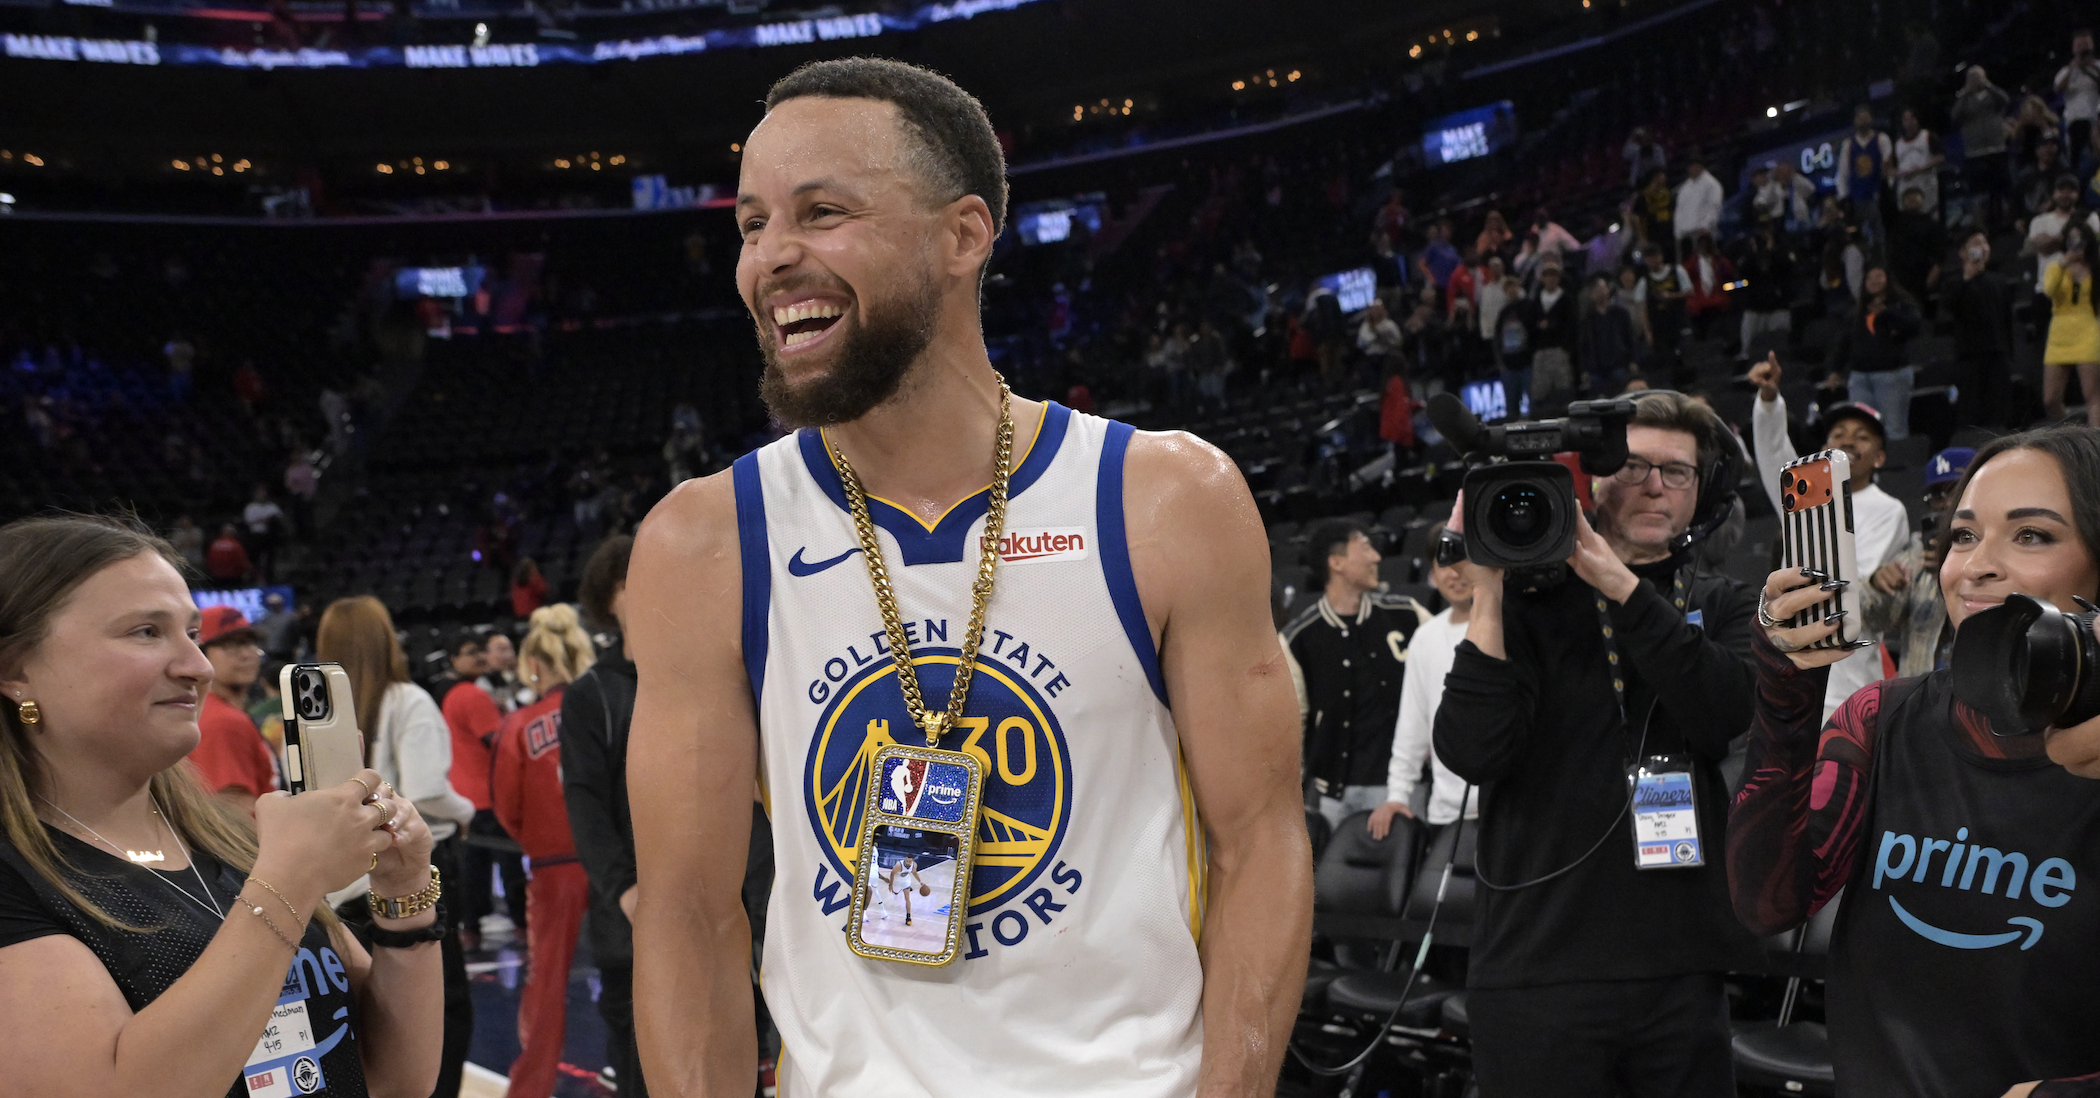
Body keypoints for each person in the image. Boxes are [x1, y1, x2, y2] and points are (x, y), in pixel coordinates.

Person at [627, 57, 1310, 1097]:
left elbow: (1260, 839)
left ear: (963, 235)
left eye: (822, 212)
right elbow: (686, 913)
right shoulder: (703, 542)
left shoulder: (1165, 501)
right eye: (752, 224)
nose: (772, 256)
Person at [0, 514, 444, 1098]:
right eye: (146, 632)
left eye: (192, 633)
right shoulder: (17, 878)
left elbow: (398, 1079)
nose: (199, 667)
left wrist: (405, 893)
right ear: (16, 668)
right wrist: (292, 878)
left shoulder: (230, 842)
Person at [1729, 426, 2100, 1096]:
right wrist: (1786, 699)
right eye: (1963, 535)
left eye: (2032, 535)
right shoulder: (1878, 718)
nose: (1975, 566)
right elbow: (1768, 904)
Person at [1433, 391, 1759, 1096]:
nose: (1653, 485)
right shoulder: (1524, 604)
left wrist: (1617, 581)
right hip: (1536, 967)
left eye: (1677, 471)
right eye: (1632, 466)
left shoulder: (1725, 602)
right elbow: (1473, 752)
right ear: (1593, 479)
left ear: (1704, 492)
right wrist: (1488, 592)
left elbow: (1723, 712)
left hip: (1679, 972)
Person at [315, 595, 477, 1098]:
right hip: (406, 867)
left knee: (364, 1027)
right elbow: (426, 789)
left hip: (337, 885)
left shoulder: (309, 724)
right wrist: (467, 812)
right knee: (436, 1018)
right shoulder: (408, 700)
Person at [1748, 355, 1912, 716]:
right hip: (1792, 662)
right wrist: (1770, 402)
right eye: (1838, 435)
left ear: (1880, 457)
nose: (1848, 441)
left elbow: (1850, 582)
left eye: (1862, 437)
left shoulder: (1888, 509)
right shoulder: (1803, 496)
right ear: (1824, 449)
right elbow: (1773, 452)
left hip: (1849, 668)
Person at [560, 535, 654, 1098]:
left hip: (725, 906)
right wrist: (624, 888)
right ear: (608, 599)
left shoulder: (710, 678)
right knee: (642, 1063)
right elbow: (585, 804)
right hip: (633, 914)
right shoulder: (591, 694)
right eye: (627, 579)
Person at [491, 604, 595, 1098]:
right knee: (640, 975)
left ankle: (531, 1088)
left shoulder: (519, 723)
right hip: (620, 861)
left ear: (533, 663)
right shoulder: (609, 703)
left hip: (555, 867)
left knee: (547, 983)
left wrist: (538, 837)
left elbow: (506, 806)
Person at [1281, 519, 1431, 828]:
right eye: (1365, 548)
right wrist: (1291, 800)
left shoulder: (1408, 615)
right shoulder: (1298, 639)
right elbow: (1293, 726)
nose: (1376, 557)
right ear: (1336, 562)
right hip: (1335, 796)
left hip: (1405, 786)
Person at [1366, 523, 1479, 840]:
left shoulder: (1512, 626)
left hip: (1513, 811)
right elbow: (1412, 726)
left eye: (1464, 561)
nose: (1455, 574)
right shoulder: (1425, 638)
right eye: (1445, 563)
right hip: (1447, 813)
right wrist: (1397, 795)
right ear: (1432, 574)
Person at [434, 631, 527, 945]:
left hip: (466, 795)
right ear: (454, 660)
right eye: (470, 652)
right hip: (489, 795)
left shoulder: (454, 694)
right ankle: (522, 925)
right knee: (510, 866)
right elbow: (498, 743)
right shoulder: (472, 695)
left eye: (480, 651)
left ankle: (471, 930)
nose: (479, 657)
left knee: (473, 869)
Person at [1860, 446, 1974, 678]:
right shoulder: (1917, 554)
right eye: (1937, 495)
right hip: (1924, 693)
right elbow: (1876, 621)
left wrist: (1957, 569)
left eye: (1954, 490)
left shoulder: (2001, 552)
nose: (1945, 503)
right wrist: (1877, 584)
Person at [188, 606, 278, 813]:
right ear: (201, 654)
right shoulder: (224, 722)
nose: (246, 654)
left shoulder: (210, 711)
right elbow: (234, 814)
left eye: (249, 643)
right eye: (231, 645)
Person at [1829, 266, 1923, 440]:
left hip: (1892, 375)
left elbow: (1914, 326)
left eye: (1879, 276)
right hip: (1860, 378)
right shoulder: (1857, 311)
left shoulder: (1901, 304)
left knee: (1894, 429)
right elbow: (1844, 342)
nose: (1874, 281)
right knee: (1863, 430)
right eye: (1870, 277)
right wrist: (1835, 369)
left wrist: (1887, 314)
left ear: (1888, 279)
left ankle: (1896, 457)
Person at [1950, 233, 2016, 429]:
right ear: (1963, 252)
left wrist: (2009, 355)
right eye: (1976, 243)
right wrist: (1968, 278)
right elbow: (1951, 308)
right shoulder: (1955, 282)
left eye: (1985, 243)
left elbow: (2007, 320)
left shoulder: (1999, 281)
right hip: (1969, 357)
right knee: (1971, 413)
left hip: (1997, 355)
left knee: (1998, 412)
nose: (1982, 247)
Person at [2043, 225, 2100, 428]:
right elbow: (2049, 291)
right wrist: (2064, 264)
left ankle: (2095, 441)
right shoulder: (2055, 267)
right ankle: (2070, 434)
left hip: (2088, 330)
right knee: (2050, 399)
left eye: (2080, 239)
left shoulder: (2096, 268)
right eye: (2072, 239)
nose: (2076, 244)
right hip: (2059, 333)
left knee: (2092, 396)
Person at [1953, 67, 2013, 232]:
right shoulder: (1965, 99)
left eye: (1978, 77)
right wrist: (1965, 93)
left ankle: (2001, 224)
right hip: (1975, 152)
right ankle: (1982, 228)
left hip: (1996, 149)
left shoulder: (1992, 95)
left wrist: (1987, 85)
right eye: (1972, 77)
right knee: (1979, 193)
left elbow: (2006, 100)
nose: (1975, 80)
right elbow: (1955, 116)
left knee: (1999, 189)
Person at [1837, 106, 1894, 252]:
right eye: (1859, 117)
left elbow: (1888, 166)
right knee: (1862, 237)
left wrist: (1888, 188)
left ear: (1871, 119)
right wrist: (1844, 198)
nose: (1863, 120)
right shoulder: (1848, 144)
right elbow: (1843, 173)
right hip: (1857, 197)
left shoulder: (1881, 139)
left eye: (1865, 117)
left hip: (1877, 195)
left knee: (1880, 233)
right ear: (1855, 121)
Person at [1577, 273, 1640, 396]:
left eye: (1602, 289)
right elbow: (1583, 346)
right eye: (1596, 291)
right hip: (1596, 367)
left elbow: (1630, 338)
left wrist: (1633, 360)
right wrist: (1584, 369)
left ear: (1608, 290)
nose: (1600, 293)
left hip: (1619, 363)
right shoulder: (1587, 319)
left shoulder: (1621, 314)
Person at [1737, 226, 1796, 359]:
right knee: (1748, 350)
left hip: (1778, 306)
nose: (1763, 235)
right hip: (1754, 308)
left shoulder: (1782, 246)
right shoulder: (1748, 250)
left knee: (1779, 349)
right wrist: (1753, 254)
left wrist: (1772, 251)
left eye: (1766, 230)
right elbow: (1742, 272)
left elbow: (1789, 268)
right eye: (1760, 230)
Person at [1886, 186, 1947, 303]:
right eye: (1909, 199)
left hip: (1922, 275)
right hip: (1899, 276)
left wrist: (1935, 271)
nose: (1912, 202)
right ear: (1903, 202)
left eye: (1915, 199)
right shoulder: (1895, 224)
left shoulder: (1931, 225)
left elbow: (1940, 252)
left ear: (1922, 201)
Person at [2057, 29, 2100, 168]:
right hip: (2074, 121)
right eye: (2079, 46)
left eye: (2085, 45)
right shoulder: (2066, 70)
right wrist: (2072, 68)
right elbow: (2058, 89)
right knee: (2076, 162)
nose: (2083, 50)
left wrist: (2092, 68)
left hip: (2096, 120)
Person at [1891, 107, 1945, 215]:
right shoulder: (1898, 144)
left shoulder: (1927, 136)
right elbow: (1889, 168)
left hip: (1925, 183)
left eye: (1911, 118)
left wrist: (1922, 168)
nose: (1909, 122)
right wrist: (1899, 174)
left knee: (1929, 213)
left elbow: (1940, 157)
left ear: (1917, 120)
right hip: (1906, 186)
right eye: (1905, 119)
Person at [1673, 156, 1725, 250]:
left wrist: (1706, 225)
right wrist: (1677, 231)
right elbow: (1679, 210)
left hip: (1704, 233)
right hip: (1686, 235)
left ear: (1701, 166)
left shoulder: (1711, 184)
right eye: (1691, 166)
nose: (1693, 168)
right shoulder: (1684, 188)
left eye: (1696, 165)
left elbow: (1715, 206)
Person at [241, 486, 284, 583]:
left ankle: (270, 578)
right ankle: (253, 577)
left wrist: (269, 520)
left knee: (270, 558)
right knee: (254, 558)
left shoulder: (271, 506)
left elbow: (279, 517)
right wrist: (262, 520)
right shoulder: (251, 507)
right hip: (255, 536)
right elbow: (248, 520)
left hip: (269, 535)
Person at [253, 591, 298, 661]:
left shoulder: (290, 616)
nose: (274, 606)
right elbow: (261, 632)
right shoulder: (266, 617)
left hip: (286, 649)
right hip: (271, 650)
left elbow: (295, 632)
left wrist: (296, 646)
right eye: (272, 604)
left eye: (276, 604)